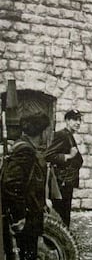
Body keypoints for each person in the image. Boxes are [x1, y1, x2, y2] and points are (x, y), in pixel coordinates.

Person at [2, 112, 50, 260]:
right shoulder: (25, 150)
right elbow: (11, 183)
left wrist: (42, 202)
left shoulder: (24, 146)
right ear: (40, 132)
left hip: (30, 215)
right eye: (47, 130)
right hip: (26, 218)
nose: (48, 134)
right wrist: (20, 216)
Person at [45, 109, 84, 227]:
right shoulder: (62, 135)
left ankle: (64, 238)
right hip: (61, 182)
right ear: (67, 121)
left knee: (65, 213)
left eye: (79, 120)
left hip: (66, 181)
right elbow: (49, 155)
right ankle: (61, 241)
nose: (78, 123)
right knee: (61, 214)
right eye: (74, 119)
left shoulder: (69, 135)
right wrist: (69, 156)